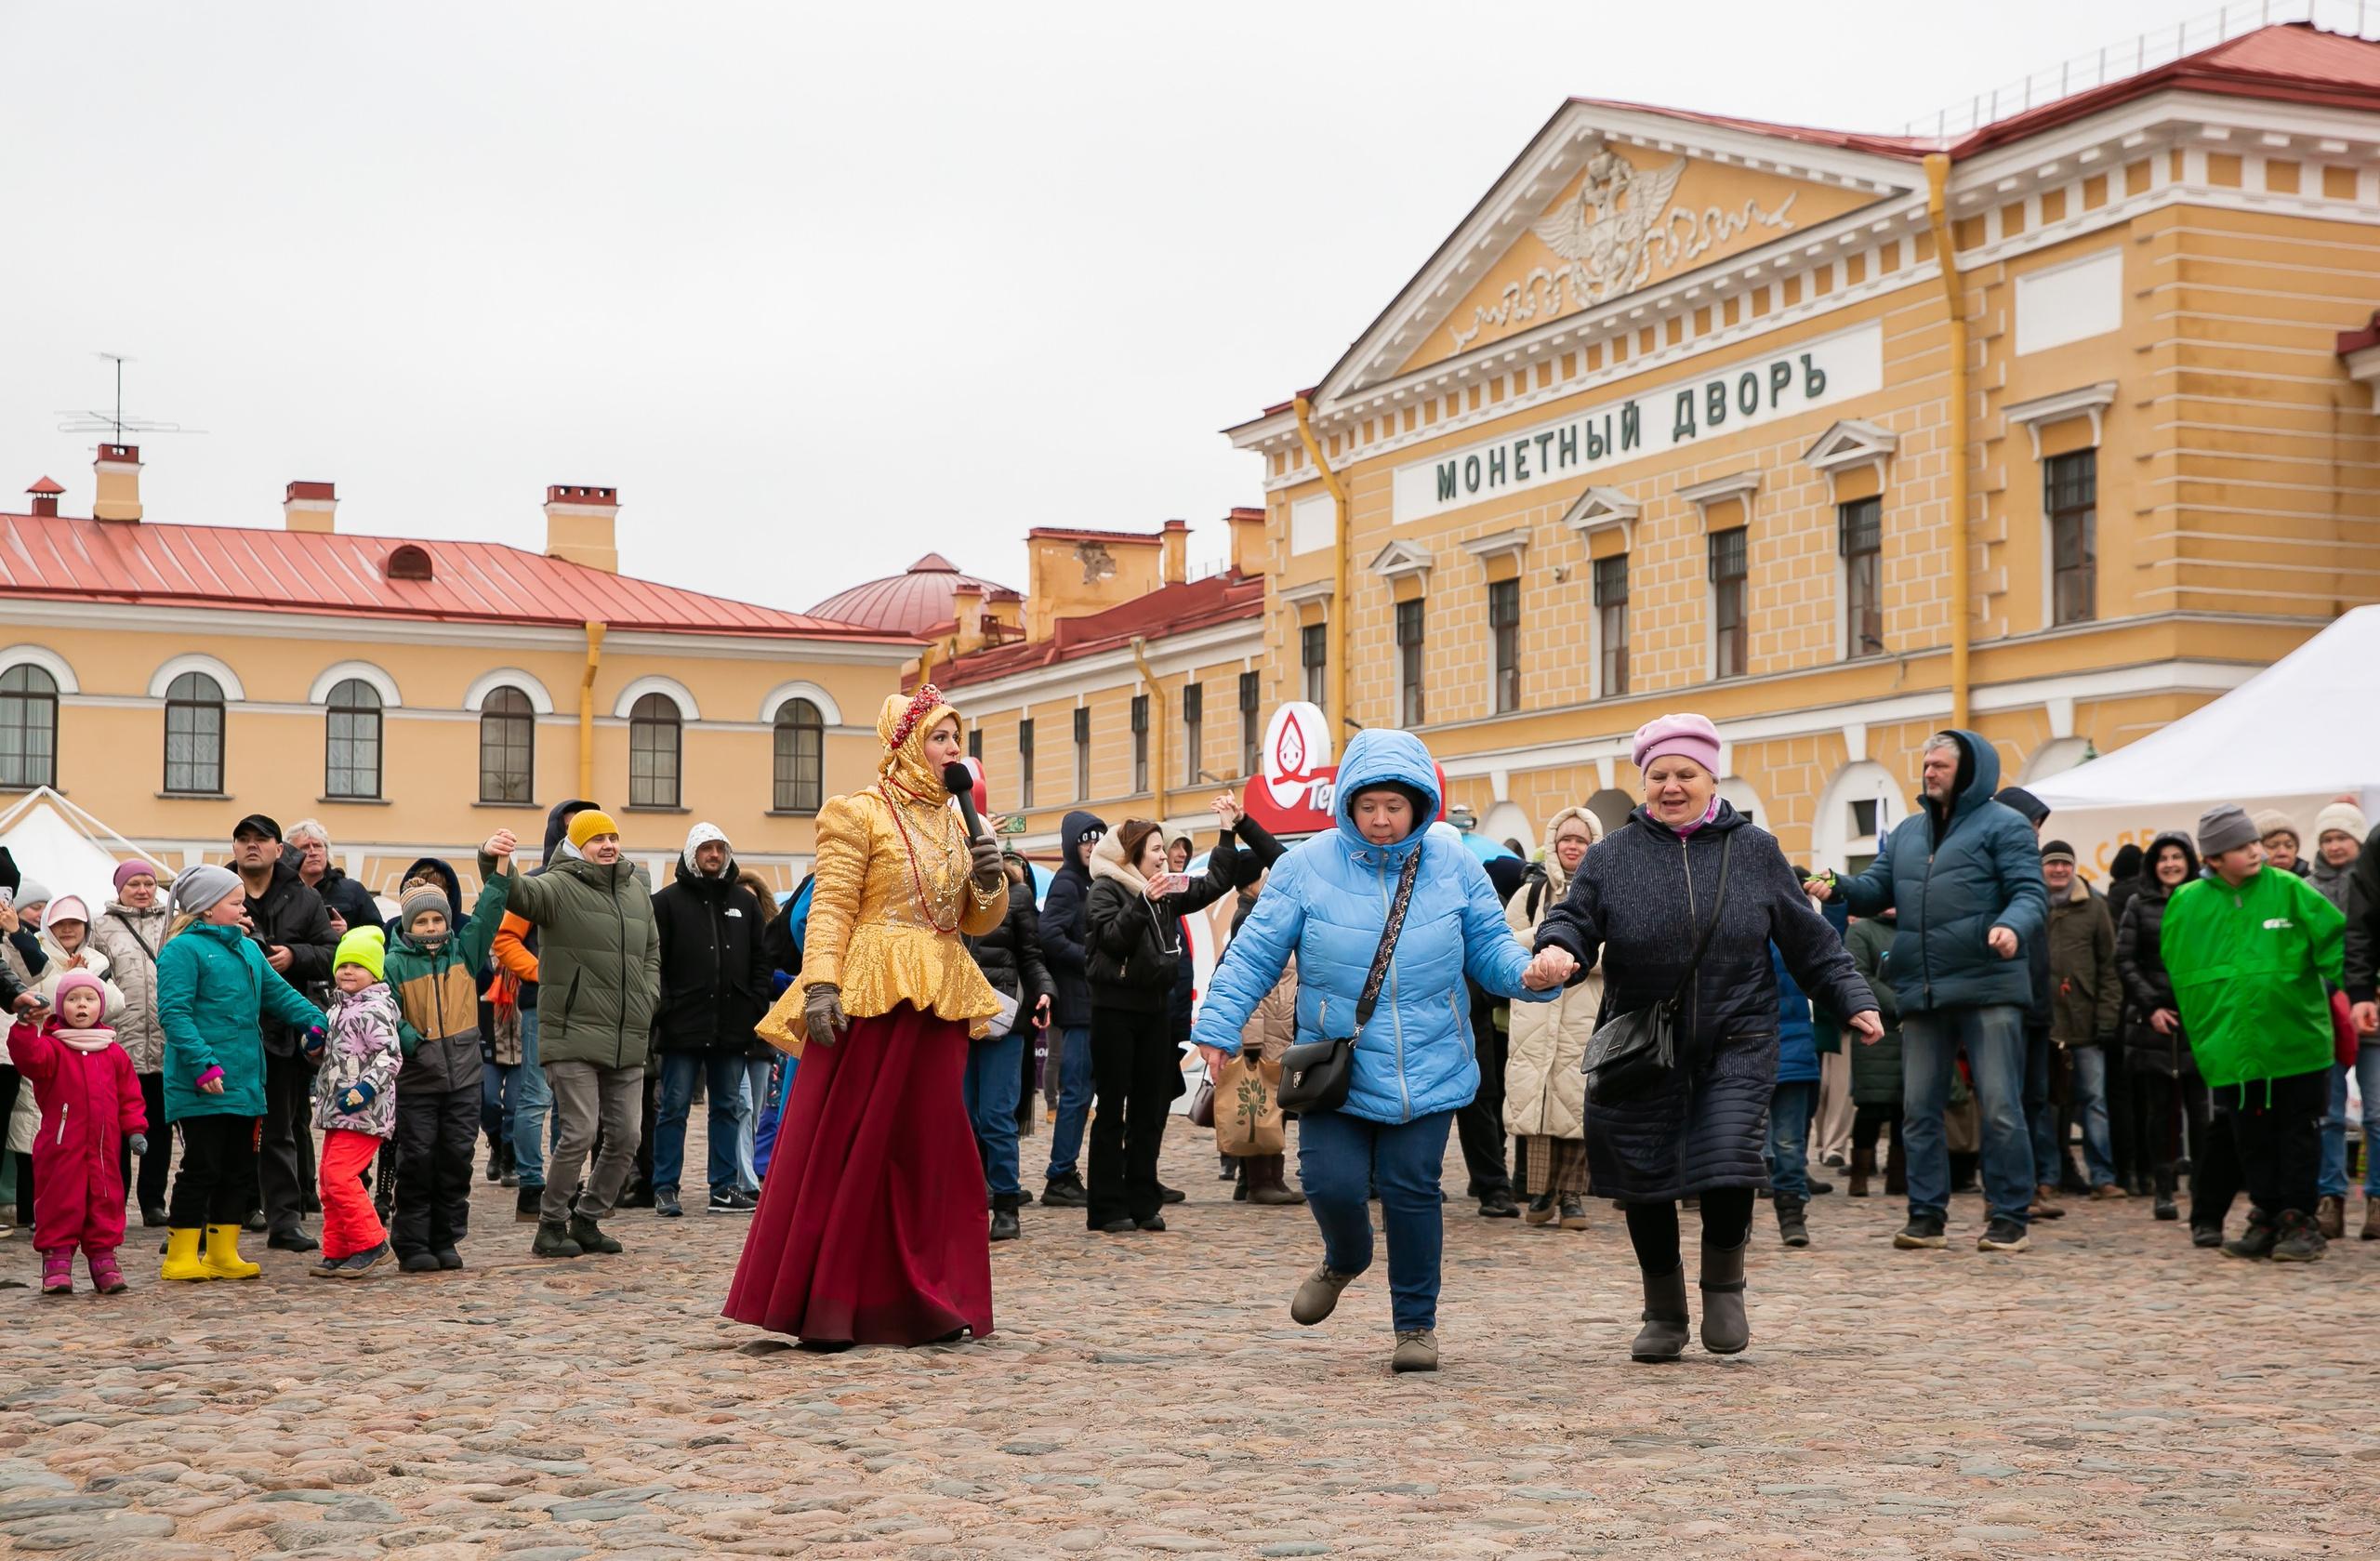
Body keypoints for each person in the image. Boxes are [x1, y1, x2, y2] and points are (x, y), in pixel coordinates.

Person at [1197, 727, 1563, 1375]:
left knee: (1412, 1188)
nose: (1383, 819)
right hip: (1338, 1065)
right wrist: (1219, 1027)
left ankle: (1415, 1325)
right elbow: (1254, 953)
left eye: (1396, 806)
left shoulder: (1452, 864)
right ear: (1347, 805)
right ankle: (1345, 1255)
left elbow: (1491, 947)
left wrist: (1527, 973)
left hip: (1431, 1059)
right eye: (1369, 806)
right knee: (1330, 1183)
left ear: (1420, 804)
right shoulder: (1305, 866)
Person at [1535, 715, 1877, 1360]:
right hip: (1641, 1039)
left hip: (1736, 1035)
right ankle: (1663, 1309)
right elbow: (1572, 920)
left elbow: (1810, 941)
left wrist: (1853, 997)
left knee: (1728, 1157)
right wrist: (1557, 950)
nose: (1670, 786)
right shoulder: (1612, 855)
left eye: (1684, 774)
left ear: (1710, 777)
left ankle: (1724, 1285)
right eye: (1658, 775)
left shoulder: (1754, 849)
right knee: (1645, 1172)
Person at [723, 685, 1009, 1347]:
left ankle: (930, 1294)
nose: (953, 749)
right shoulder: (859, 814)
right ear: (907, 743)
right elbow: (831, 908)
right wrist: (820, 983)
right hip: (871, 998)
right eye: (940, 737)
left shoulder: (961, 822)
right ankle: (834, 1300)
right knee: (854, 1150)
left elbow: (976, 920)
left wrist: (989, 875)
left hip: (938, 999)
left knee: (932, 1151)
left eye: (956, 737)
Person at [1809, 732, 2047, 1253]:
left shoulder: (2005, 826)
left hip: (1989, 985)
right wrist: (1841, 886)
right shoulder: (1910, 832)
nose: (1928, 772)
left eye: (1939, 764)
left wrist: (2012, 927)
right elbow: (1877, 890)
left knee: (2002, 1107)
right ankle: (1926, 1216)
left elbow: (2031, 893)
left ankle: (2009, 1216)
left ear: (1969, 772)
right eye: (1926, 764)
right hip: (1923, 987)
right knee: (1918, 1109)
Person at [2163, 803, 2344, 1261]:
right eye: (2241, 847)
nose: (2255, 851)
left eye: (2254, 843)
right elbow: (2181, 973)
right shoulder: (2186, 904)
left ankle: (2298, 1220)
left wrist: (2367, 992)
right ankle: (2266, 1215)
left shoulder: (2289, 889)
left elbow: (2337, 945)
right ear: (2214, 858)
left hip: (2294, 1041)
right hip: (2231, 1048)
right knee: (2252, 1137)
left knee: (2298, 1133)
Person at [154, 864, 328, 1281]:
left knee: (238, 1169)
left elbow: (280, 996)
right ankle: (180, 1254)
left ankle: (222, 1252)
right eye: (235, 902)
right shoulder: (182, 951)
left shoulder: (248, 950)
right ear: (206, 909)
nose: (243, 907)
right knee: (201, 1167)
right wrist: (202, 1065)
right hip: (203, 1083)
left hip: (247, 1080)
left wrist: (316, 1021)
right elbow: (174, 1015)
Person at [503, 809, 660, 1261]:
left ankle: (588, 1218)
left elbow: (652, 951)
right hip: (571, 1031)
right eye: (597, 839)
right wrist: (494, 859)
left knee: (628, 1135)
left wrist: (648, 995)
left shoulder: (636, 888)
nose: (608, 845)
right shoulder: (557, 885)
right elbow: (517, 892)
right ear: (577, 845)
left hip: (625, 1033)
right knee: (579, 1132)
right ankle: (551, 1224)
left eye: (613, 836)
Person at [1081, 804, 1240, 1234]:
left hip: (1155, 1012)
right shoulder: (1105, 889)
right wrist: (1141, 902)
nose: (1162, 856)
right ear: (1133, 854)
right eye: (1154, 849)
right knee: (1113, 1109)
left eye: (1162, 849)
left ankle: (1143, 1200)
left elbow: (1214, 884)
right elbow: (1112, 941)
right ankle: (1107, 1206)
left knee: (1150, 1111)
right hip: (1114, 1013)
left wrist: (1226, 834)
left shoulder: (1166, 889)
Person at [384, 835, 518, 1272]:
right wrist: (412, 1041)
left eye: (435, 921)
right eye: (419, 922)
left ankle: (446, 1239)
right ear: (408, 926)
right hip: (418, 1080)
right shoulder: (394, 963)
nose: (429, 928)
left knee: (457, 1158)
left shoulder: (465, 952)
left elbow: (489, 911)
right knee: (418, 1160)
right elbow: (385, 1009)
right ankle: (412, 1242)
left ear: (447, 922)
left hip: (463, 1077)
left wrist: (500, 867)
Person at [650, 823, 773, 1218]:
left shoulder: (745, 903)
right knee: (673, 1108)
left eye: (720, 848)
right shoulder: (665, 903)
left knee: (729, 1107)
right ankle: (665, 1186)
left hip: (732, 1025)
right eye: (706, 848)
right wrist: (666, 1006)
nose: (714, 855)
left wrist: (754, 1003)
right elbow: (655, 963)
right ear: (692, 854)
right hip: (682, 1025)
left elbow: (761, 959)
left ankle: (723, 1187)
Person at [230, 814, 337, 1253]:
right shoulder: (218, 893)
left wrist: (294, 955)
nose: (252, 846)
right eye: (244, 839)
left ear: (279, 849)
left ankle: (285, 1222)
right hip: (229, 1030)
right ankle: (208, 1219)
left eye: (262, 839)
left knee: (279, 1131)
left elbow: (333, 953)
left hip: (283, 1033)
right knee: (222, 1132)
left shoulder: (304, 897)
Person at [2115, 832, 2232, 1236]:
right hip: (2154, 1019)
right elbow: (2125, 960)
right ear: (2153, 864)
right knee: (2159, 1109)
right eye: (2162, 858)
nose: (2170, 864)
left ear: (2189, 861)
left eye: (2176, 857)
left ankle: (2203, 1189)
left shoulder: (2207, 898)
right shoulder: (2138, 903)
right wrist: (2152, 1007)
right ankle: (2163, 1189)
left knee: (2202, 1110)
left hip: (2199, 1018)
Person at [490, 799, 599, 1223]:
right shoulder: (536, 883)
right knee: (537, 1097)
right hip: (544, 1005)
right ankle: (533, 1185)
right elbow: (505, 941)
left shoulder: (605, 886)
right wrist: (544, 973)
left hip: (592, 1007)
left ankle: (564, 1183)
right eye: (572, 829)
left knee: (575, 1103)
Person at [10, 971, 144, 1295]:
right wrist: (26, 1027)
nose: (81, 1005)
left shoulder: (113, 1052)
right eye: (72, 999)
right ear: (60, 1007)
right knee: (60, 1201)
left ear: (100, 1006)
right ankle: (56, 1263)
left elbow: (130, 1096)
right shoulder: (52, 1048)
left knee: (106, 1200)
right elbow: (28, 1059)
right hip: (62, 1145)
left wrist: (135, 1129)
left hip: (104, 1147)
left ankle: (104, 1260)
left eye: (88, 999)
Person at [1501, 806, 1602, 1230]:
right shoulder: (1531, 894)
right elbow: (1504, 942)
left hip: (1585, 1009)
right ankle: (1541, 1191)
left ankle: (1574, 1197)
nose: (1573, 846)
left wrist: (1573, 951)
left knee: (1577, 1106)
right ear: (1554, 844)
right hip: (1536, 1008)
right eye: (1567, 839)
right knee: (1539, 1104)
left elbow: (1617, 948)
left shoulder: (1607, 889)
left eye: (1582, 840)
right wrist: (1548, 938)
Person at [302, 926, 403, 1278]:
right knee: (328, 1182)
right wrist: (314, 1046)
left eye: (357, 966)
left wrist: (366, 1089)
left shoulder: (375, 1009)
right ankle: (338, 1249)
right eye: (343, 965)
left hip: (365, 1111)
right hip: (336, 1110)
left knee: (341, 1176)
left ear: (374, 973)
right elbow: (331, 1059)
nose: (347, 971)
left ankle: (372, 1243)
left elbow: (389, 1057)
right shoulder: (337, 1009)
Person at [964, 849, 1051, 1241]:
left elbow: (1032, 956)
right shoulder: (943, 896)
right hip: (954, 1019)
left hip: (1002, 1020)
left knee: (996, 1116)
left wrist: (1045, 991)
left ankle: (1006, 1206)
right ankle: (967, 1198)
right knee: (962, 1117)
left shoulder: (1016, 897)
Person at [91, 861, 172, 1227]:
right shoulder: (101, 927)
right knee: (119, 1125)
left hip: (165, 1040)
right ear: (120, 888)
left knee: (159, 1123)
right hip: (119, 1040)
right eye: (134, 884)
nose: (142, 890)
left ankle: (153, 1200)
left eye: (148, 883)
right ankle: (116, 1198)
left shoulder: (172, 924)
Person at [2042, 840, 2122, 1197]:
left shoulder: (2094, 906)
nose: (2059, 869)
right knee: (2046, 1105)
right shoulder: (2030, 904)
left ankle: (2103, 1176)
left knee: (2094, 1102)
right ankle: (2047, 1176)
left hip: (2086, 1020)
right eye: (2052, 864)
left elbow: (2109, 967)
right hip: (2044, 1023)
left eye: (2065, 864)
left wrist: (2107, 1017)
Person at [1037, 810, 1105, 1210]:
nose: (1092, 846)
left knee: (1086, 1095)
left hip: (1094, 1005)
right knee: (1076, 1094)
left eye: (1098, 839)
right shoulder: (1067, 882)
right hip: (1078, 1007)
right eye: (1085, 840)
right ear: (1072, 845)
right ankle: (1060, 1175)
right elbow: (1049, 935)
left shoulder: (1095, 881)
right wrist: (1091, 958)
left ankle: (1069, 1171)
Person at [2311, 800, 2371, 1238]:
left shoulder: (2374, 883)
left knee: (2378, 1115)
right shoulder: (2305, 887)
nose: (2334, 846)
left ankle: (2377, 1198)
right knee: (2329, 1115)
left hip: (2371, 1013)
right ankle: (2329, 1197)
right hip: (2324, 1018)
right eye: (2327, 838)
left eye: (2342, 837)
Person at [1843, 908, 1905, 1197]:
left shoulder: (1912, 926)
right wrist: (1901, 1002)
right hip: (1875, 1026)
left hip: (1910, 1029)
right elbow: (1857, 973)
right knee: (1872, 1104)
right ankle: (1859, 1176)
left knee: (1904, 1108)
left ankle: (1898, 1177)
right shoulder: (1862, 930)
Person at [1765, 945, 1823, 1247]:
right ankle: (1735, 1220)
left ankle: (1791, 1214)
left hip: (1792, 1044)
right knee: (1737, 1143)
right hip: (1736, 1048)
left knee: (1789, 1142)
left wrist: (1835, 901)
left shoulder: (1791, 923)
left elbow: (1829, 948)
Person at [286, 820, 383, 940]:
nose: (313, 852)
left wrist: (348, 932)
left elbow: (378, 934)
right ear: (290, 855)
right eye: (305, 847)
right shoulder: (281, 893)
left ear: (326, 852)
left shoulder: (353, 890)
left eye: (317, 846)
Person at [2254, 810, 2308, 877]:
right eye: (2272, 846)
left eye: (2289, 846)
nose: (2282, 853)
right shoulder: (2242, 885)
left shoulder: (2309, 885)